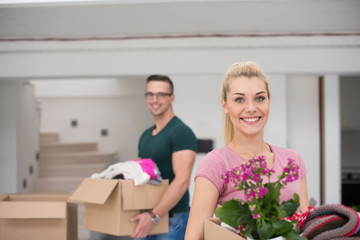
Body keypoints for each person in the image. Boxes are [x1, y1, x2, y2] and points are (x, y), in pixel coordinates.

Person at [185, 61, 309, 239]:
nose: (251, 108)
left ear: (268, 101)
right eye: (239, 99)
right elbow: (193, 237)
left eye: (259, 98)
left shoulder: (293, 160)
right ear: (225, 105)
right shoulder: (216, 163)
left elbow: (306, 225)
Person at [130, 74, 197, 240]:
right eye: (150, 94)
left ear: (171, 98)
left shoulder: (181, 132)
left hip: (173, 220)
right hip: (148, 218)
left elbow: (182, 181)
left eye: (161, 95)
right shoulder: (146, 135)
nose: (155, 100)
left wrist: (153, 216)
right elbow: (140, 176)